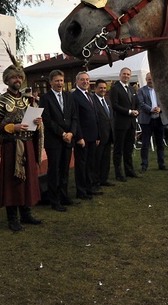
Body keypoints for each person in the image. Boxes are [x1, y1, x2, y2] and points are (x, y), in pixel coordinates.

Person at [0, 56, 44, 232]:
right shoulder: (0, 102)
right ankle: (12, 218)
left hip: (27, 144)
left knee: (27, 180)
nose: (17, 80)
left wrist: (38, 121)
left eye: (19, 77)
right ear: (7, 80)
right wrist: (12, 127)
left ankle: (26, 213)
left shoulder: (28, 100)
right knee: (13, 182)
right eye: (13, 77)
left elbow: (34, 123)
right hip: (11, 147)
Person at [39, 69, 79, 212]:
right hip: (54, 141)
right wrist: (62, 133)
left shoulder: (69, 96)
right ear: (51, 82)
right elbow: (47, 120)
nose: (59, 83)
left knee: (64, 170)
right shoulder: (45, 98)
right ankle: (54, 200)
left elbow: (74, 117)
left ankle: (64, 196)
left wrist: (71, 133)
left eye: (61, 80)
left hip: (68, 140)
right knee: (54, 171)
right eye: (56, 81)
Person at [71, 71, 101, 200]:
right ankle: (81, 191)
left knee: (90, 164)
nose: (85, 82)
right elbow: (75, 118)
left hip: (92, 137)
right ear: (77, 81)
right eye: (82, 79)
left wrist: (97, 136)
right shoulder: (74, 96)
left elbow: (95, 116)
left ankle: (90, 188)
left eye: (87, 80)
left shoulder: (90, 95)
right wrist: (79, 137)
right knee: (81, 166)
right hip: (82, 138)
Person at [109, 67, 140, 181]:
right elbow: (115, 106)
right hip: (120, 124)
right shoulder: (115, 89)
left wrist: (137, 111)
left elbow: (137, 103)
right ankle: (118, 173)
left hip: (131, 124)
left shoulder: (132, 89)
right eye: (124, 74)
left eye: (128, 74)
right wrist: (129, 112)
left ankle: (129, 171)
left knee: (128, 149)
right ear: (120, 75)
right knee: (118, 150)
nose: (126, 76)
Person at [137, 72, 168, 171]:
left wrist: (159, 108)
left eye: (152, 78)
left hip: (159, 119)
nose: (151, 80)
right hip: (147, 120)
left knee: (160, 143)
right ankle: (144, 165)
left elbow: (165, 102)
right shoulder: (141, 90)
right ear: (146, 79)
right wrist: (151, 109)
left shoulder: (160, 90)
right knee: (145, 144)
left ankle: (161, 164)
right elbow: (141, 103)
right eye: (149, 79)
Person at [93, 79, 115, 188]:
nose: (103, 90)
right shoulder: (92, 101)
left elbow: (110, 118)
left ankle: (104, 179)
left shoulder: (107, 100)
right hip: (99, 136)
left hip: (109, 135)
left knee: (106, 159)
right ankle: (96, 181)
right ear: (95, 89)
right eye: (100, 88)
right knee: (97, 160)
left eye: (104, 88)